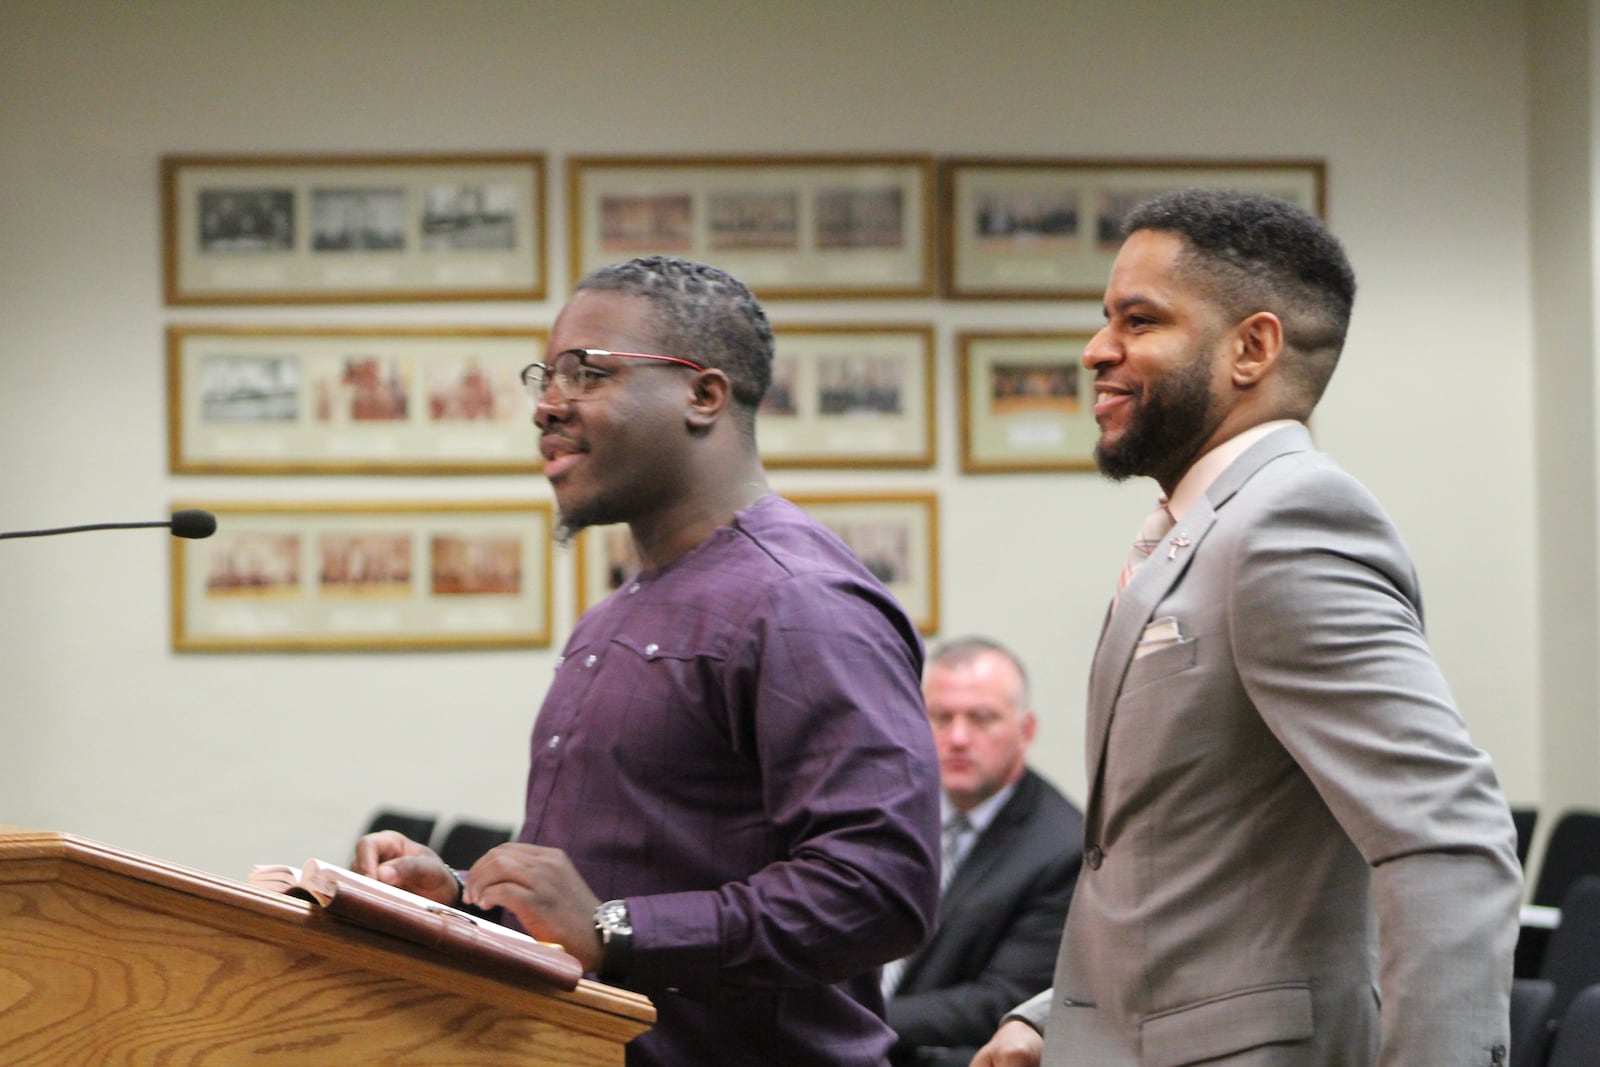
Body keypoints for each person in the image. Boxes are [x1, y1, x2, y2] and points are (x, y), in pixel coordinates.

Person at [973, 190, 1522, 1066]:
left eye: (1138, 319)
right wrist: (1055, 1015)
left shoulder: (1291, 519)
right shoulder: (1196, 527)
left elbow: (1447, 840)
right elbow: (1176, 856)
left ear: (1252, 348)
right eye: (1104, 317)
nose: (1095, 350)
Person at [353, 255, 942, 1066]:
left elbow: (877, 890)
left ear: (704, 395)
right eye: (546, 376)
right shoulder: (617, 612)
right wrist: (464, 899)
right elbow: (597, 913)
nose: (548, 406)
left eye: (586, 373)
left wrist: (615, 930)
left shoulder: (802, 602)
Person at [885, 637, 1083, 1067]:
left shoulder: (1063, 847)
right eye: (940, 717)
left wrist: (857, 1019)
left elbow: (1006, 999)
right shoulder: (886, 809)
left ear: (1025, 731)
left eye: (981, 718)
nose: (958, 738)